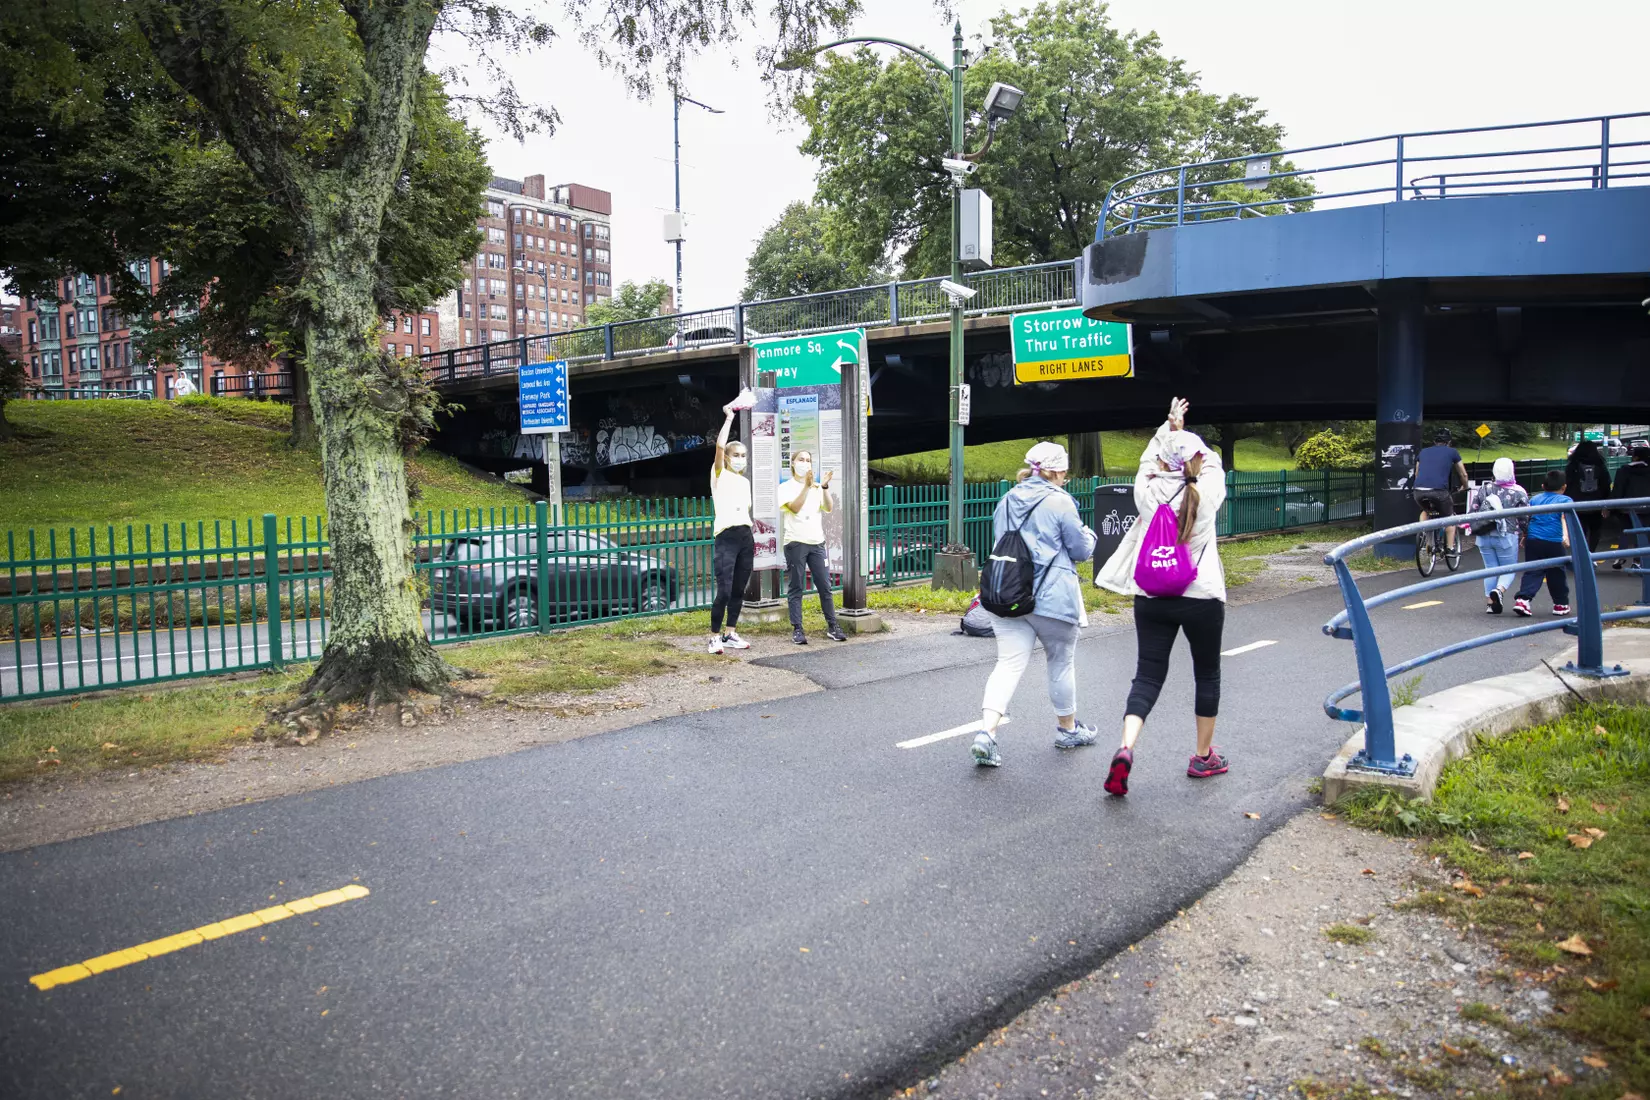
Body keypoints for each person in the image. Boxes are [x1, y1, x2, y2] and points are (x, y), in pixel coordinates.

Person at [1095, 398, 1229, 796]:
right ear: (1196, 461)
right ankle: (1203, 756)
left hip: (1151, 594)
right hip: (1201, 595)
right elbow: (1212, 461)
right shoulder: (1207, 490)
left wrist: (1168, 430)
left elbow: (1147, 459)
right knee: (1206, 673)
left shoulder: (1147, 490)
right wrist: (1187, 439)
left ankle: (1126, 746)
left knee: (1148, 674)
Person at [971, 441, 1099, 768]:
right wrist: (1091, 537)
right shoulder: (1061, 502)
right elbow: (1080, 550)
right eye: (1065, 471)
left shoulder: (1007, 499)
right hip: (1052, 599)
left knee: (1008, 664)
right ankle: (1067, 730)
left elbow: (1003, 542)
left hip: (1009, 594)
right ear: (1057, 471)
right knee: (1060, 661)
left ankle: (987, 733)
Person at [780, 449, 846, 645]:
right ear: (793, 463)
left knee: (825, 585)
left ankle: (833, 626)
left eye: (808, 460)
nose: (805, 463)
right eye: (801, 459)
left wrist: (824, 486)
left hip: (817, 542)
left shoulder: (817, 487)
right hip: (795, 543)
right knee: (796, 586)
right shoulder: (786, 487)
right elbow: (794, 507)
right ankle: (797, 629)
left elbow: (828, 507)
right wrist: (806, 487)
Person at [707, 402, 754, 655]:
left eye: (743, 455)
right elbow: (718, 446)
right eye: (735, 455)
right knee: (724, 590)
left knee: (738, 589)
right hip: (726, 537)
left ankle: (730, 633)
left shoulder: (744, 481)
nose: (739, 459)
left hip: (745, 536)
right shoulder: (719, 474)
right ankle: (713, 636)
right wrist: (728, 419)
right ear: (727, 458)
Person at [1471, 457, 1529, 614]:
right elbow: (1524, 517)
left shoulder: (1485, 489)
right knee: (1508, 569)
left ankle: (1490, 604)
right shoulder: (1519, 492)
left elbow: (1473, 510)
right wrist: (1525, 532)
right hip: (1506, 536)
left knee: (1490, 569)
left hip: (1484, 535)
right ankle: (1499, 590)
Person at [1513, 469, 1572, 617]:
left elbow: (1529, 519)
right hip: (1554, 541)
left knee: (1532, 570)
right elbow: (1565, 518)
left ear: (1543, 486)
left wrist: (1525, 536)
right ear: (1564, 487)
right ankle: (1560, 604)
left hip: (1534, 539)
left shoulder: (1535, 499)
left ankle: (1523, 600)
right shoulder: (1566, 500)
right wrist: (1566, 536)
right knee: (1556, 573)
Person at [1412, 427, 1468, 552]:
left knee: (1426, 511)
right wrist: (1465, 486)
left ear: (1434, 441)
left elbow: (1416, 473)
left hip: (1418, 491)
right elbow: (1463, 474)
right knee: (1449, 516)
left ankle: (1427, 541)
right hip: (1439, 491)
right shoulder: (1452, 452)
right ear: (1449, 442)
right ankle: (1449, 547)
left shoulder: (1423, 452)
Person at [1606, 443, 1650, 569]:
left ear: (1635, 457)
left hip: (1626, 507)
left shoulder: (1623, 470)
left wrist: (1609, 506)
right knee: (1643, 533)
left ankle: (1621, 556)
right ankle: (1638, 560)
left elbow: (1618, 490)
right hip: (1647, 508)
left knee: (1625, 531)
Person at [1565, 439, 1610, 554]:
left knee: (1580, 531)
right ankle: (1592, 553)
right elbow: (1606, 485)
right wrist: (1606, 505)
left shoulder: (1572, 466)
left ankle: (1581, 554)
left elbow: (1567, 485)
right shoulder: (1600, 466)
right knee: (1595, 530)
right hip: (1596, 503)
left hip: (1577, 504)